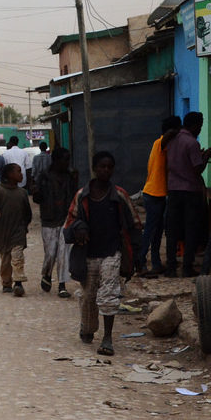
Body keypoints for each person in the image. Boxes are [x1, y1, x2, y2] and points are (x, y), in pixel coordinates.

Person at [63, 151, 141, 357]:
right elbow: (67, 228)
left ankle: (107, 338)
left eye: (109, 167)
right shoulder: (82, 196)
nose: (106, 170)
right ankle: (87, 327)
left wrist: (136, 255)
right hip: (88, 254)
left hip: (112, 252)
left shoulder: (120, 195)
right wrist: (78, 229)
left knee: (109, 295)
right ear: (95, 169)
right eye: (102, 167)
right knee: (89, 296)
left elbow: (134, 224)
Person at [164, 112, 211, 278]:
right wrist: (205, 156)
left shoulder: (171, 140)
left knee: (172, 230)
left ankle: (171, 268)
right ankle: (187, 267)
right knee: (190, 229)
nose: (200, 129)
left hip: (173, 190)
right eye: (200, 125)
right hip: (190, 191)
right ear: (194, 125)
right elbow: (197, 168)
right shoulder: (192, 143)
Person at [136, 116, 181, 276]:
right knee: (150, 231)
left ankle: (155, 263)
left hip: (158, 193)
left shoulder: (163, 146)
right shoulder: (160, 143)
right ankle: (140, 262)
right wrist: (177, 132)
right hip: (154, 193)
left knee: (156, 231)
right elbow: (169, 135)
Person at [33, 147, 78, 298]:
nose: (67, 163)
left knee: (63, 253)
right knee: (51, 252)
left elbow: (75, 195)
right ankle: (46, 273)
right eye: (64, 160)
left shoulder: (70, 176)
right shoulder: (44, 176)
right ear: (56, 160)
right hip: (49, 219)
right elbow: (36, 197)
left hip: (66, 218)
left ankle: (62, 285)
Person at [0, 163, 31, 296]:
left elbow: (27, 212)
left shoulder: (22, 193)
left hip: (18, 232)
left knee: (17, 257)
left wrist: (24, 226)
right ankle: (6, 282)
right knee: (6, 259)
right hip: (3, 231)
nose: (21, 174)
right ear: (10, 175)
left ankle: (18, 282)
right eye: (18, 171)